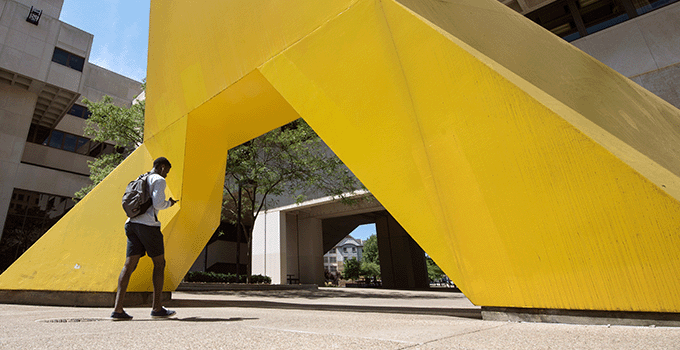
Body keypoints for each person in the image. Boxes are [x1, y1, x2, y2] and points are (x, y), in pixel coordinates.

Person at [111, 157, 179, 320]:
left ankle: (118, 309)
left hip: (131, 224)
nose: (167, 175)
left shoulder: (141, 177)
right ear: (162, 167)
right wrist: (170, 203)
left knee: (129, 265)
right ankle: (157, 308)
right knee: (159, 263)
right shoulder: (159, 179)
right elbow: (158, 203)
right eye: (167, 171)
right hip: (148, 226)